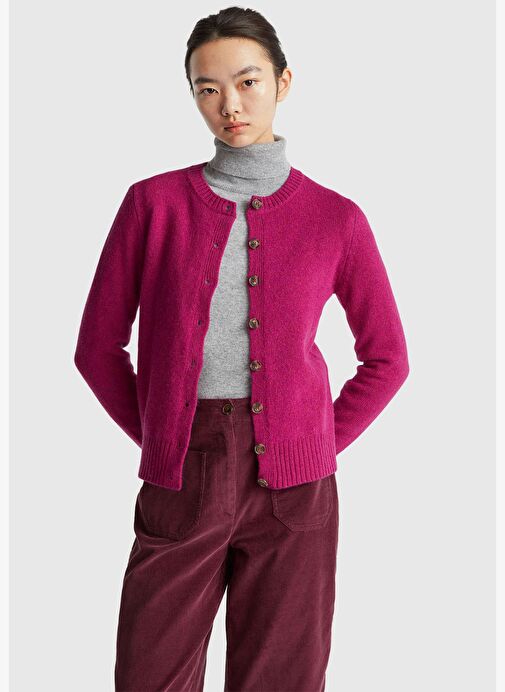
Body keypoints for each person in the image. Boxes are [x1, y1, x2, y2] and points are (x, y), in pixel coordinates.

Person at [74, 6, 410, 691]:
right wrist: (164, 435)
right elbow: (96, 348)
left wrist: (315, 439)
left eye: (248, 81)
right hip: (182, 475)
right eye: (208, 88)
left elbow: (387, 359)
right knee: (149, 673)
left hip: (297, 488)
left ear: (283, 82)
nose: (230, 104)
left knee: (281, 679)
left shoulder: (337, 218)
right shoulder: (151, 204)